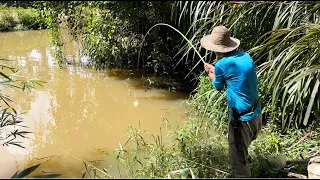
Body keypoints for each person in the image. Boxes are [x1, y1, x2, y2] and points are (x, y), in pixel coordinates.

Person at [200, 26, 262, 178]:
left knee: (238, 163)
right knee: (242, 152)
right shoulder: (246, 57)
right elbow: (234, 76)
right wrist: (216, 70)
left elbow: (218, 86)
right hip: (256, 115)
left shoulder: (222, 65)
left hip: (241, 121)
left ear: (216, 49)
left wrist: (210, 73)